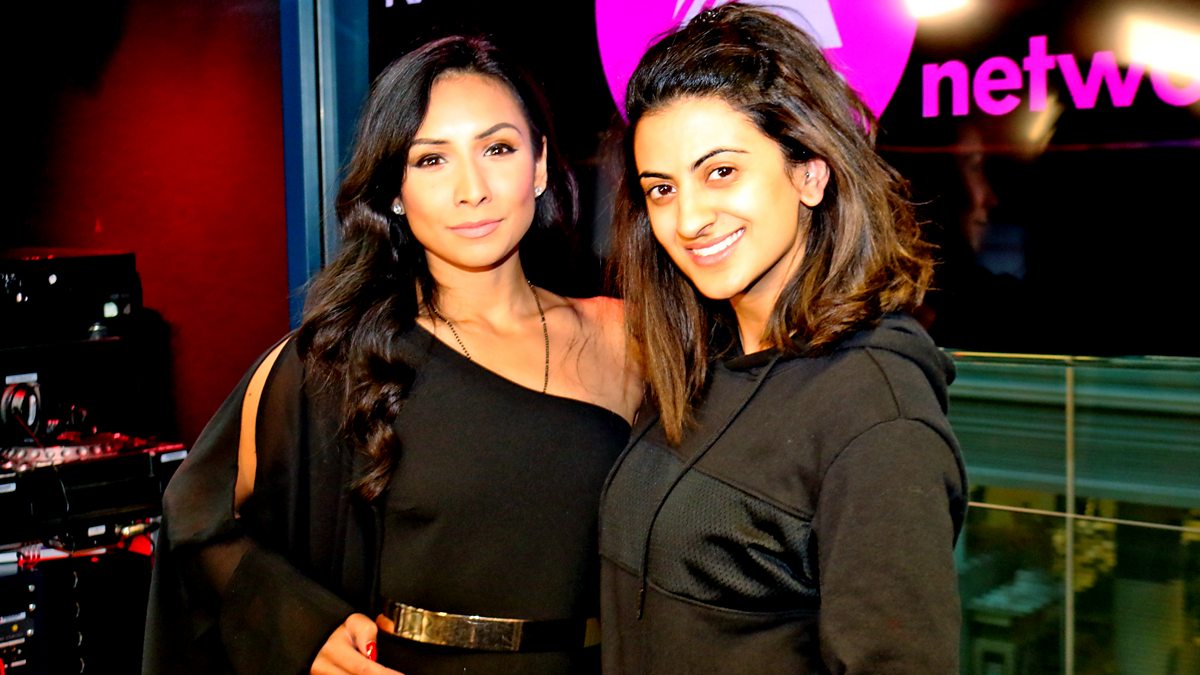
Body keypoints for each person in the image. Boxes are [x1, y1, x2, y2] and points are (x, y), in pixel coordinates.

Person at [143, 35, 641, 675]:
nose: (472, 189)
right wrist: (301, 625)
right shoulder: (342, 361)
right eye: (431, 160)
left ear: (540, 165)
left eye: (497, 149)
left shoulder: (625, 336)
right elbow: (194, 513)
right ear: (396, 190)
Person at [600, 5, 968, 673]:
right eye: (661, 188)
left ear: (810, 173)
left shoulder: (875, 410)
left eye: (721, 172)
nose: (688, 218)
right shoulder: (702, 360)